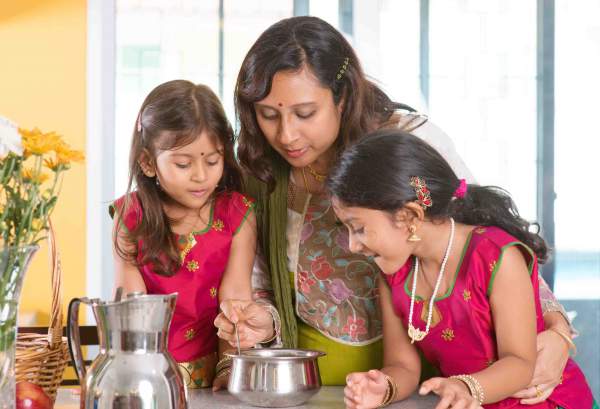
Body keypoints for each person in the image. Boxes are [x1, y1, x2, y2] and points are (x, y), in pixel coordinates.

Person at [214, 16, 574, 399]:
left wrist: (558, 331)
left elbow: (486, 238)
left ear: (342, 97)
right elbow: (262, 285)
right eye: (268, 115)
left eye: (305, 114)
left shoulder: (407, 147)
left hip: (438, 384)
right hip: (321, 386)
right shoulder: (261, 172)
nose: (286, 135)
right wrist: (261, 323)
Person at [330, 130, 595, 409]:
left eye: (358, 228)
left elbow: (520, 363)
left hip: (544, 402)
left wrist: (465, 387)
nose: (352, 245)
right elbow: (402, 366)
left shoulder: (496, 256)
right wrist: (384, 387)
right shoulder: (393, 275)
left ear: (410, 216)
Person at [110, 80, 258, 390]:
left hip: (215, 377)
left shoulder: (237, 214)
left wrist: (229, 369)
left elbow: (235, 303)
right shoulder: (131, 216)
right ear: (148, 163)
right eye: (183, 164)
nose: (201, 176)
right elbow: (130, 306)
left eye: (213, 161)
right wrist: (137, 378)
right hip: (146, 375)